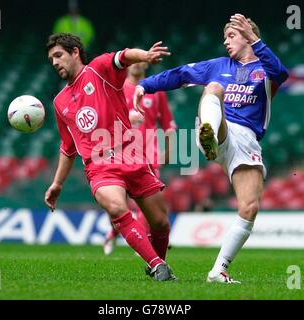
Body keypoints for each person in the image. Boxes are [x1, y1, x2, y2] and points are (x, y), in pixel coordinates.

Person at [134, 14, 289, 283]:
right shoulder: (218, 66)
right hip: (220, 128)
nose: (226, 42)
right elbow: (181, 74)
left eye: (232, 36)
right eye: (225, 37)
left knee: (249, 207)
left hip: (247, 140)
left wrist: (255, 40)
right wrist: (144, 85)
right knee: (214, 88)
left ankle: (218, 271)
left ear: (248, 35)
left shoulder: (265, 68)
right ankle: (209, 136)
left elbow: (281, 73)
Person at [45, 33, 177, 281]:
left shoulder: (98, 69)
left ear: (75, 52)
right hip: (99, 165)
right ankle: (158, 265)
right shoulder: (59, 102)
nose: (54, 62)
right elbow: (67, 147)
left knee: (160, 224)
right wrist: (57, 184)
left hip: (131, 153)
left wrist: (146, 55)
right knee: (117, 207)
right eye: (51, 59)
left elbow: (125, 55)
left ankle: (158, 265)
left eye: (58, 55)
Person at [103, 61, 177, 255]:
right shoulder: (117, 89)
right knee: (120, 203)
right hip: (122, 151)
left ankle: (143, 241)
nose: (135, 65)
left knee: (148, 200)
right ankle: (113, 233)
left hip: (148, 153)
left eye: (139, 61)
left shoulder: (156, 92)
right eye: (132, 61)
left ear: (146, 64)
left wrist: (168, 151)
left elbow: (168, 124)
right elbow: (107, 119)